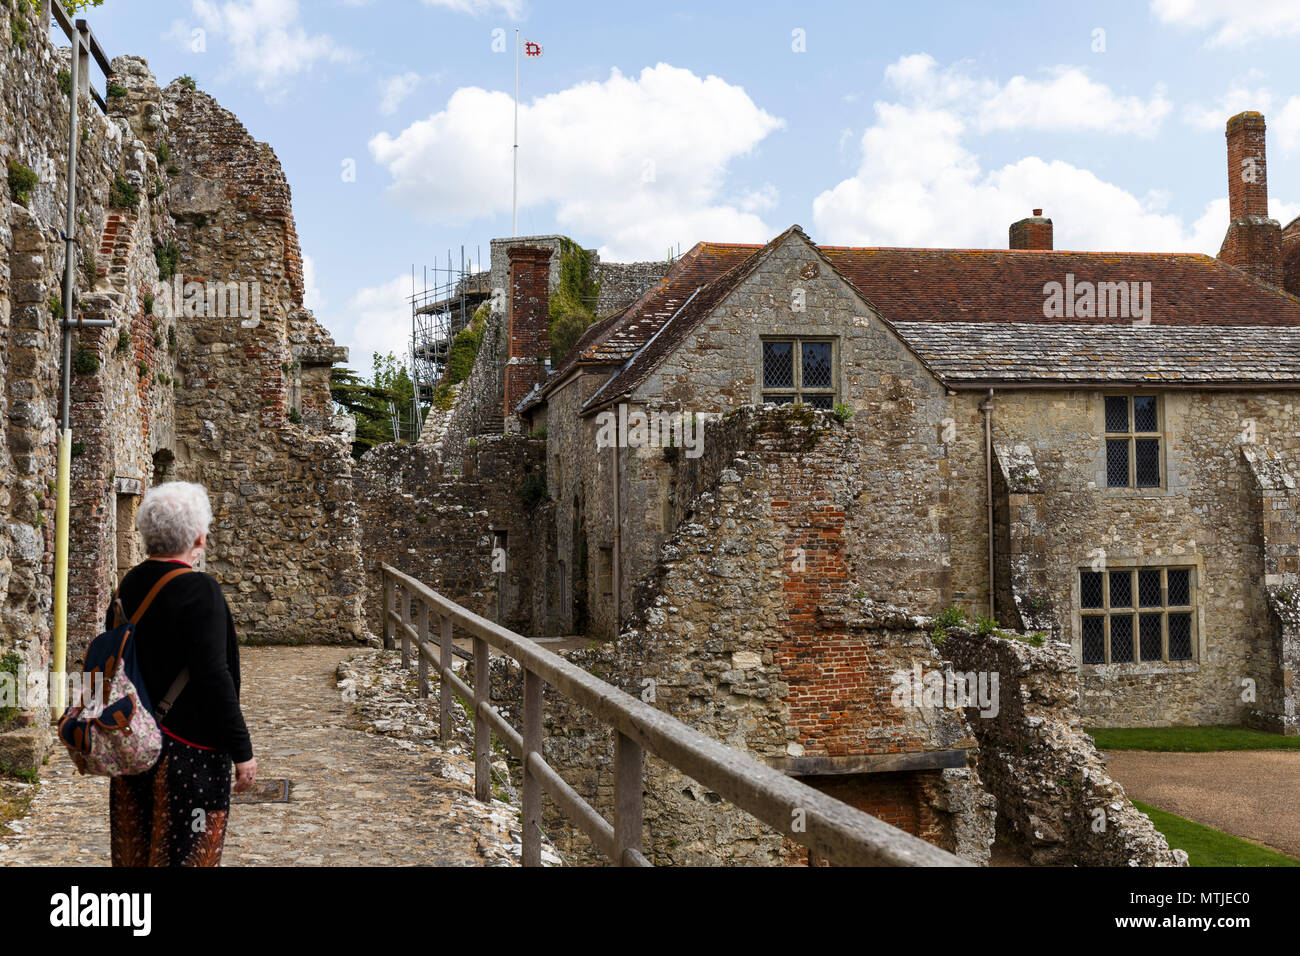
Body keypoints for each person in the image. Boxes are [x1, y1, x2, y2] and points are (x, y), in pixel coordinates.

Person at [106, 481, 256, 867]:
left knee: (135, 851)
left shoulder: (128, 586)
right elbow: (213, 674)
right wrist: (242, 749)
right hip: (190, 751)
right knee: (188, 856)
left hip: (134, 742)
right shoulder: (200, 590)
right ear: (199, 538)